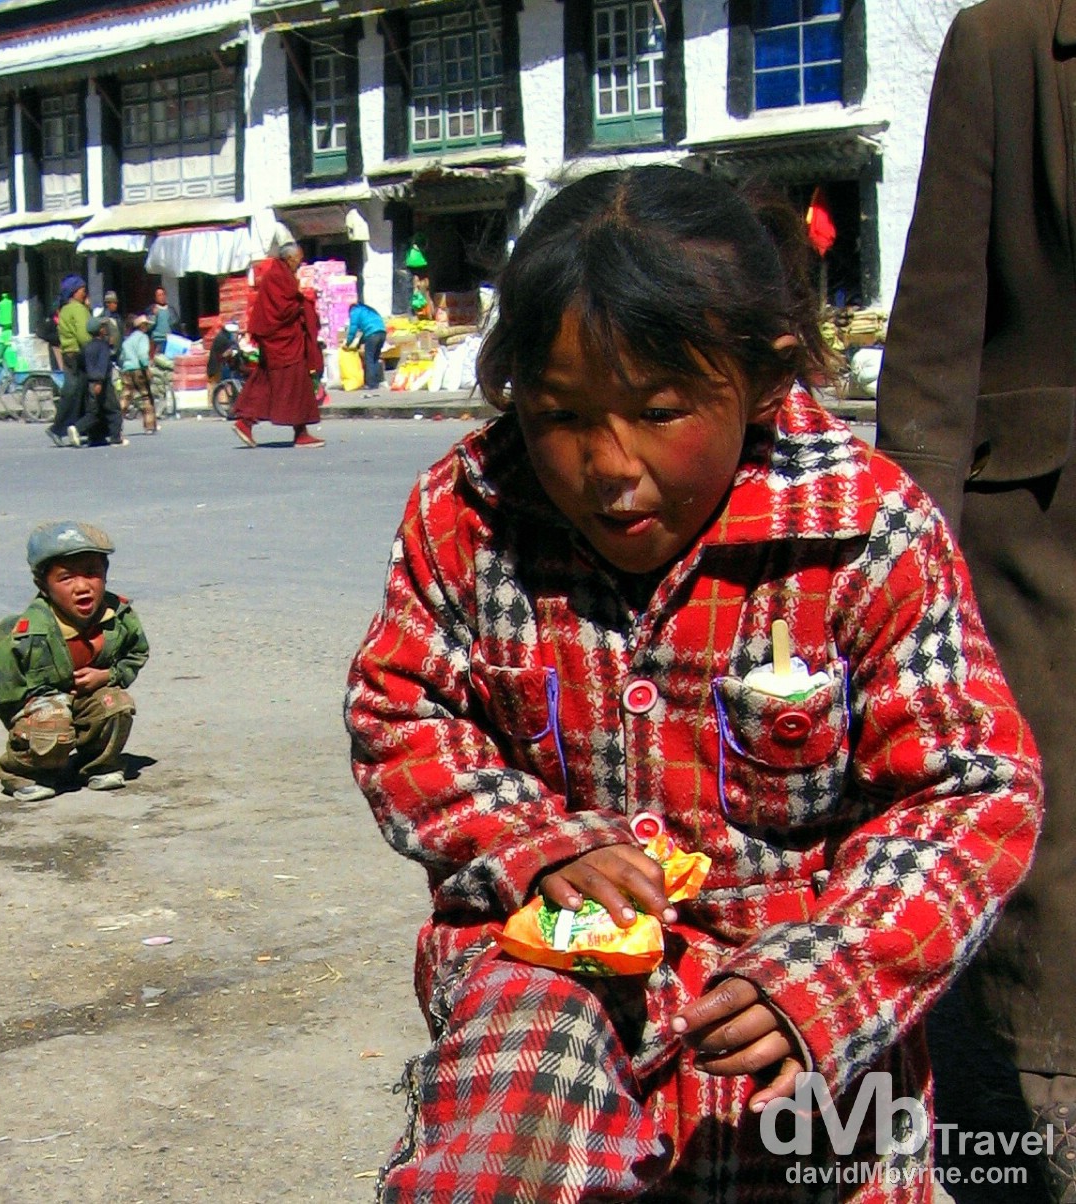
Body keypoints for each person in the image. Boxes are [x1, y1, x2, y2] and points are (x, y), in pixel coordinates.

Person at [344, 165, 1044, 1202]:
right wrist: (532, 846)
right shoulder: (471, 511)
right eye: (560, 415)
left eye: (661, 411)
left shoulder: (869, 529)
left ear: (762, 379)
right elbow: (402, 707)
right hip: (552, 984)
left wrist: (839, 971)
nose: (610, 464)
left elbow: (971, 788)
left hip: (796, 1018)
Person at [877, 2, 1076, 1197]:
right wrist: (903, 564)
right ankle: (1046, 1108)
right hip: (1043, 534)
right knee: (1052, 854)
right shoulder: (1008, 42)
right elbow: (940, 327)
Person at [0, 521, 149, 802]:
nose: (82, 586)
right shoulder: (27, 630)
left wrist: (108, 675)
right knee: (52, 721)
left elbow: (136, 653)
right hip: (43, 703)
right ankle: (22, 772)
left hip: (88, 697)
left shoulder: (118, 617)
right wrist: (25, 711)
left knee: (117, 704)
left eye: (92, 573)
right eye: (66, 578)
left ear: (106, 576)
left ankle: (98, 764)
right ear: (43, 586)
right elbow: (1, 674)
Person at [233, 243, 325, 449]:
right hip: (282, 342)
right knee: (297, 384)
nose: (299, 264)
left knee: (265, 383)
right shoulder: (277, 276)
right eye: (297, 260)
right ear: (289, 258)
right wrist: (303, 304)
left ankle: (245, 423)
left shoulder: (281, 275)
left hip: (281, 342)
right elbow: (281, 309)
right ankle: (300, 433)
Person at [48, 275, 90, 448]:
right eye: (82, 290)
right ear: (75, 292)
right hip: (78, 354)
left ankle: (78, 428)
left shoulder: (64, 309)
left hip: (68, 353)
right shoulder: (77, 309)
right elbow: (84, 335)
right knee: (76, 393)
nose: (85, 293)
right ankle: (59, 428)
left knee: (77, 392)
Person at [81, 313, 125, 447]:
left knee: (95, 411)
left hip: (90, 382)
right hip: (102, 383)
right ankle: (116, 438)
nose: (105, 328)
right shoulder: (102, 346)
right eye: (103, 326)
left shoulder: (87, 346)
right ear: (100, 330)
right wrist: (99, 382)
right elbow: (102, 365)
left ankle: (95, 437)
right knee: (114, 410)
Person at [119, 313, 157, 434]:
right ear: (142, 326)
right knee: (145, 396)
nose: (146, 327)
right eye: (145, 325)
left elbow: (122, 357)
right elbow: (142, 355)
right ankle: (149, 425)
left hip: (126, 369)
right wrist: (146, 368)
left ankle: (115, 424)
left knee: (125, 396)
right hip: (138, 369)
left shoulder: (127, 340)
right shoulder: (143, 337)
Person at [343, 297, 387, 390]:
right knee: (375, 358)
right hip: (382, 333)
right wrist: (359, 343)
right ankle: (376, 382)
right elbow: (367, 332)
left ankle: (370, 384)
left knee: (369, 359)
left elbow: (353, 329)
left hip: (372, 334)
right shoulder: (367, 310)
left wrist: (348, 343)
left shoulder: (355, 311)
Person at [149, 286, 178, 359]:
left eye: (163, 294)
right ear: (155, 297)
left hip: (169, 341)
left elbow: (176, 324)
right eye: (159, 295)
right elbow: (147, 327)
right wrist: (153, 315)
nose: (162, 297)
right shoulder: (151, 309)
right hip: (157, 342)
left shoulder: (171, 310)